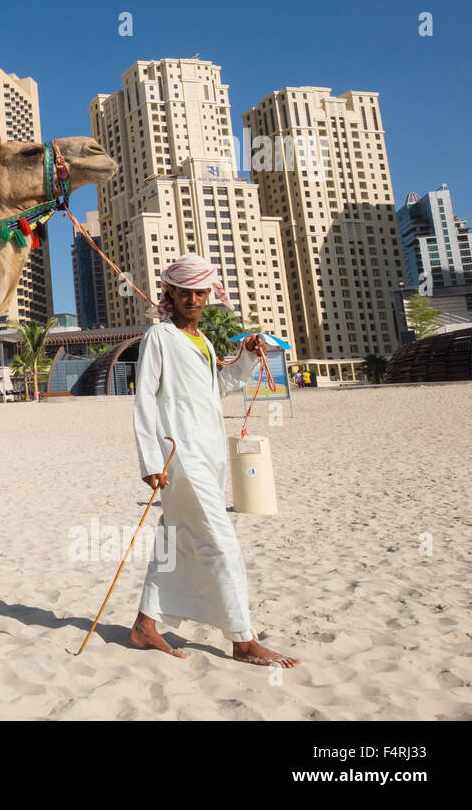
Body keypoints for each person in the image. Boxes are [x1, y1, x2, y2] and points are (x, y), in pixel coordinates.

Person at [130, 253, 300, 668]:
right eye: (185, 290)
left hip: (210, 455)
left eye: (201, 290)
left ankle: (144, 626)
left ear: (209, 294)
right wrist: (151, 459)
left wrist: (243, 356)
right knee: (221, 543)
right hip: (179, 456)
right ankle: (243, 639)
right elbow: (144, 399)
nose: (194, 298)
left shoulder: (203, 342)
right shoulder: (160, 338)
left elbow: (215, 389)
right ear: (170, 291)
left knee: (175, 541)